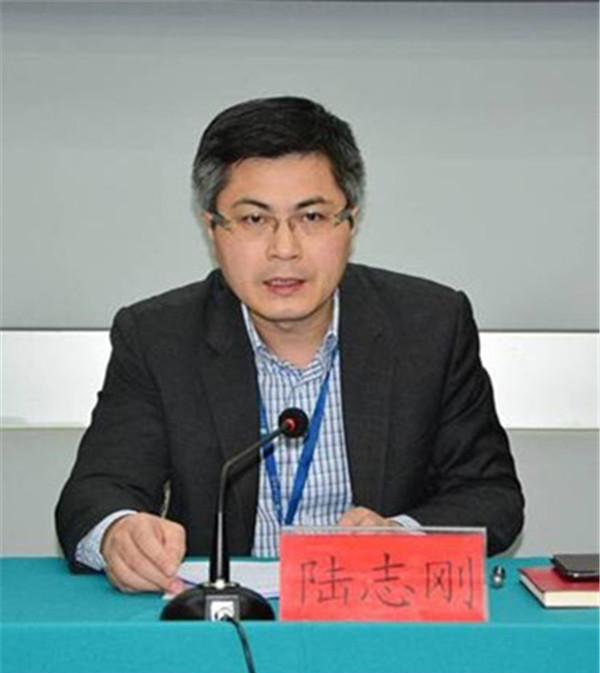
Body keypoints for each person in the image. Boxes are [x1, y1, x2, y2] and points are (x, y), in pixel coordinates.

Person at [55, 96, 524, 595]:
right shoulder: (158, 337)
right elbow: (96, 492)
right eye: (254, 220)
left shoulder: (430, 326)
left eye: (312, 217)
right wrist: (119, 533)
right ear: (213, 229)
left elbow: (490, 496)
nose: (284, 249)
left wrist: (401, 536)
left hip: (375, 612)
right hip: (222, 619)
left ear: (350, 222)